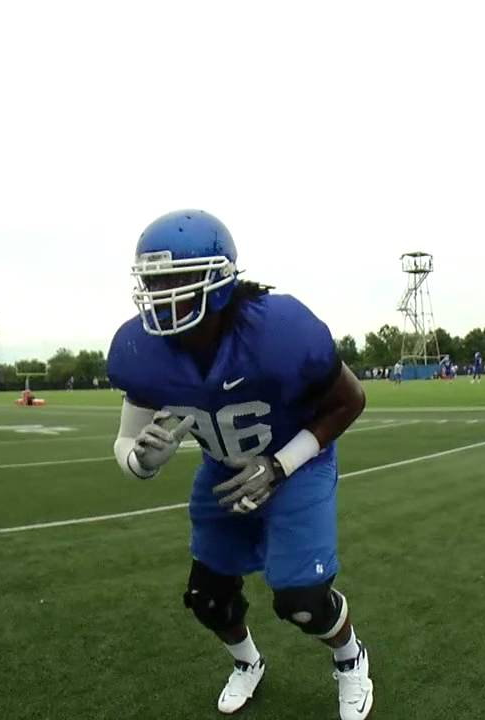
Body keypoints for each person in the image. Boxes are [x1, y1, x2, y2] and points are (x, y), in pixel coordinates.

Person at [106, 210, 373, 719]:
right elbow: (125, 442)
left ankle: (349, 657)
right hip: (221, 470)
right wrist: (141, 460)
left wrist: (280, 466)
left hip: (296, 463)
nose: (161, 295)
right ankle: (248, 663)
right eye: (153, 282)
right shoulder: (139, 349)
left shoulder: (281, 330)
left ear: (219, 282)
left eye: (176, 280)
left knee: (302, 601)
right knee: (208, 599)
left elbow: (350, 400)